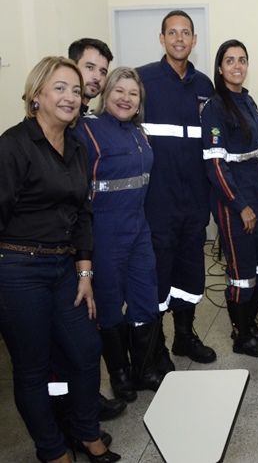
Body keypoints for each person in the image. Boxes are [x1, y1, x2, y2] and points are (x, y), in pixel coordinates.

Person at [0, 56, 119, 463]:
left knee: (86, 349)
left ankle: (86, 432)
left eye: (75, 90)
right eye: (60, 88)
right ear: (36, 95)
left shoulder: (77, 148)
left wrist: (85, 273)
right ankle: (52, 451)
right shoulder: (14, 145)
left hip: (63, 267)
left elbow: (82, 214)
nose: (70, 97)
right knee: (32, 367)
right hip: (17, 269)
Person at [73, 67, 164, 404]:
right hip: (105, 230)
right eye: (119, 91)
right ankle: (120, 375)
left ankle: (144, 370)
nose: (126, 98)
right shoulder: (87, 129)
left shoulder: (140, 133)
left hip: (138, 228)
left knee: (145, 296)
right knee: (109, 302)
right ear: (106, 94)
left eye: (133, 93)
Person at [48, 38, 126, 423]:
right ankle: (64, 416)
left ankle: (83, 404)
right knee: (59, 343)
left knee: (82, 333)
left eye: (102, 71)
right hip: (46, 252)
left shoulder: (82, 126)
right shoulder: (51, 128)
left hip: (77, 246)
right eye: (89, 67)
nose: (95, 77)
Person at [136, 10, 217, 368]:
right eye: (172, 32)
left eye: (186, 33)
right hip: (158, 199)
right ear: (162, 38)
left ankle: (185, 335)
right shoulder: (143, 80)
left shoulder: (205, 86)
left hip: (195, 199)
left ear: (194, 40)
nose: (179, 39)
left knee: (190, 269)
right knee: (158, 271)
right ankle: (157, 346)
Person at [201, 39, 258, 358]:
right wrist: (241, 206)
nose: (237, 66)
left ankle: (248, 325)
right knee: (243, 275)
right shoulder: (215, 107)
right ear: (220, 68)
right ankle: (241, 335)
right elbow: (215, 165)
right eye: (230, 60)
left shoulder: (247, 101)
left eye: (242, 60)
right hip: (232, 203)